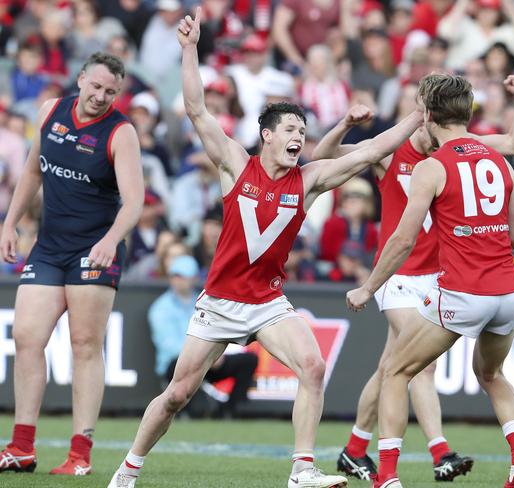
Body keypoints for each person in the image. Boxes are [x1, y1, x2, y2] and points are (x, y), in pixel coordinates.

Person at [107, 8, 423, 488]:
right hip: (220, 301)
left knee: (313, 366)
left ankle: (302, 469)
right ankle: (129, 468)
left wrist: (419, 112)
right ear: (267, 136)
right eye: (290, 130)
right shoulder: (236, 163)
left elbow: (372, 150)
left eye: (303, 131)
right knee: (177, 395)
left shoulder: (310, 178)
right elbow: (196, 109)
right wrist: (190, 49)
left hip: (267, 302)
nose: (299, 136)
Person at [312, 74, 514, 482]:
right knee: (432, 369)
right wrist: (344, 124)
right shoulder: (394, 151)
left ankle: (369, 458)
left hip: (448, 282)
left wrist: (365, 287)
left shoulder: (436, 164)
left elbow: (403, 237)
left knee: (394, 369)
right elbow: (323, 160)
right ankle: (466, 453)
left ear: (428, 114)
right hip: (415, 280)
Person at [0, 52, 144, 475]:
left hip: (94, 249)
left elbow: (134, 201)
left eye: (111, 92)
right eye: (96, 86)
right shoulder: (51, 111)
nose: (101, 96)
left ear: (118, 94)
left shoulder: (121, 132)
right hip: (48, 246)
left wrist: (111, 240)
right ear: (80, 79)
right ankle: (21, 447)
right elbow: (31, 172)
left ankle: (80, 454)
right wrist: (10, 225)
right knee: (26, 337)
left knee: (84, 345)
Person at [149, 254, 258, 418]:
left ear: (193, 278)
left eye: (183, 276)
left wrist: (214, 353)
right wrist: (205, 354)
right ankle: (184, 412)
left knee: (249, 360)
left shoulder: (204, 301)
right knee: (175, 364)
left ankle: (228, 411)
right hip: (179, 364)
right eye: (175, 276)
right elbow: (167, 344)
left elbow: (219, 329)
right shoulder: (161, 307)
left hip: (208, 360)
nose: (178, 281)